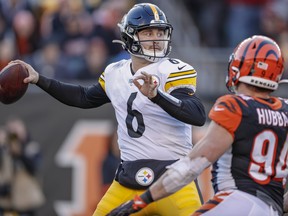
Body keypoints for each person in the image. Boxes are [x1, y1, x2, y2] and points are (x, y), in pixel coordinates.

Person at [11, 3, 206, 215]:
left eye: (160, 32)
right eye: (148, 32)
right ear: (130, 37)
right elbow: (83, 97)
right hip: (129, 180)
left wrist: (156, 96)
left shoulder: (173, 70)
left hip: (174, 179)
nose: (156, 38)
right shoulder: (116, 72)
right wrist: (40, 79)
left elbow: (196, 114)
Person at [107, 35, 288, 216]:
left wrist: (140, 201)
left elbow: (190, 167)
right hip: (272, 208)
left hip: (237, 201)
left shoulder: (236, 107)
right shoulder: (285, 110)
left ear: (238, 66)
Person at [0, 117, 44, 216]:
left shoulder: (31, 147)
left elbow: (33, 168)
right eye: (11, 132)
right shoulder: (5, 150)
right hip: (6, 203)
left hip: (26, 202)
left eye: (16, 130)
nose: (14, 134)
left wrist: (19, 152)